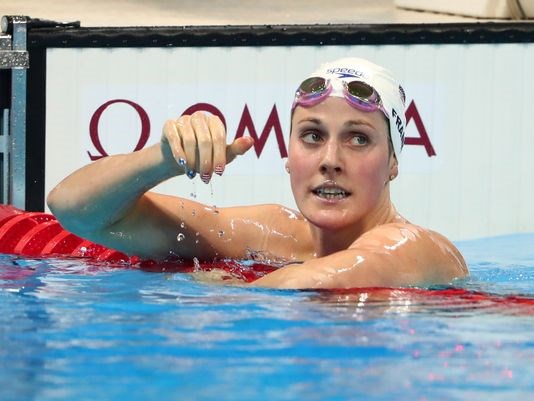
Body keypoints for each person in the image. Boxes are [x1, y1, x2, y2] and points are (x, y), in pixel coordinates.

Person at [47, 57, 468, 289]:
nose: (330, 159)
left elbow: (347, 273)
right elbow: (75, 210)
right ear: (288, 155)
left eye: (358, 139)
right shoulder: (272, 234)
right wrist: (161, 160)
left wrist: (237, 296)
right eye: (311, 136)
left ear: (393, 162)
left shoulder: (416, 247)